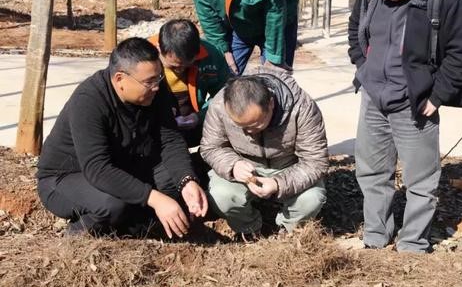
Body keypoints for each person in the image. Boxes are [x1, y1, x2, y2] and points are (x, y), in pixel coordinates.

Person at [347, 0, 462, 253]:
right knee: (371, 173)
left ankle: (412, 244)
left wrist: (437, 95)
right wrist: (363, 66)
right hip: (373, 98)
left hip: (415, 104)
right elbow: (356, 28)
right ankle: (376, 238)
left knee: (421, 181)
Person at [37, 38, 209, 238]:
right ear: (120, 79)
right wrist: (154, 198)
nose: (156, 87)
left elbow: (170, 139)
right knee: (113, 205)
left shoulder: (155, 88)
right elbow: (97, 168)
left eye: (159, 78)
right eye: (149, 82)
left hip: (125, 164)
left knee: (185, 175)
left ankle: (139, 225)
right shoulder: (89, 100)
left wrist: (186, 181)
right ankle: (78, 234)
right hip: (67, 178)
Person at [200, 67, 328, 241]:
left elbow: (315, 161)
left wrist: (278, 183)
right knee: (221, 196)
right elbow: (211, 147)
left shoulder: (301, 107)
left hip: (289, 166)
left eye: (256, 124)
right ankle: (249, 228)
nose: (249, 132)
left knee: (311, 199)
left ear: (271, 104)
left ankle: (288, 229)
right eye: (242, 127)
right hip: (244, 165)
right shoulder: (219, 106)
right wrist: (233, 165)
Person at [149, 19, 230, 148]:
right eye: (174, 67)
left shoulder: (211, 54)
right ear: (159, 48)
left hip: (195, 123)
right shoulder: (143, 56)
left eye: (187, 65)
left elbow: (226, 93)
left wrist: (200, 117)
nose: (180, 70)